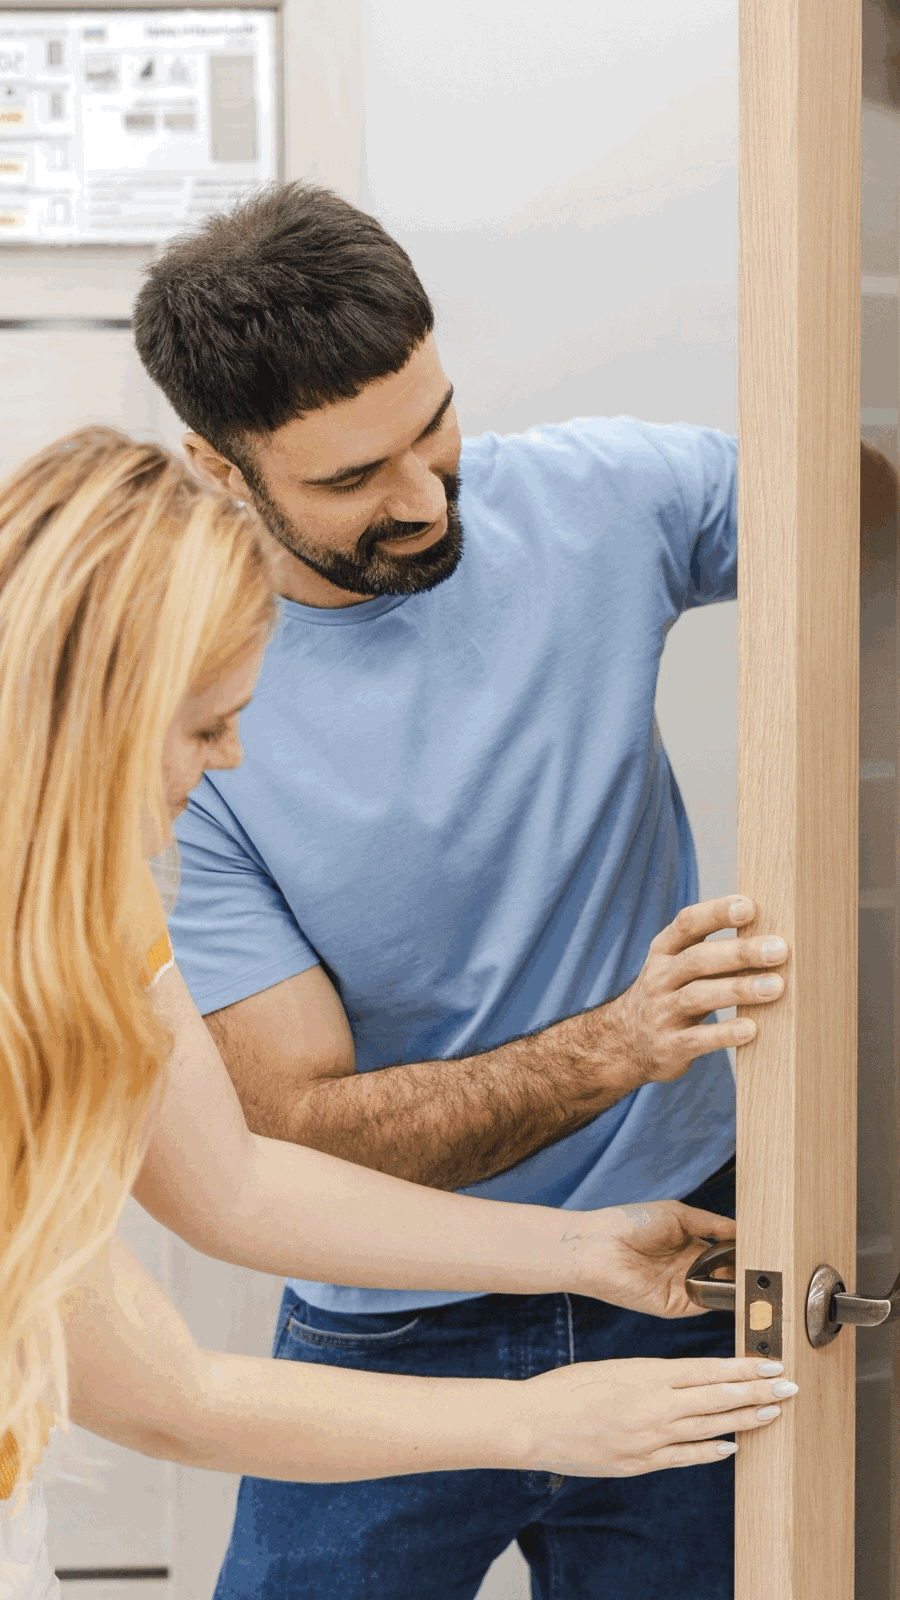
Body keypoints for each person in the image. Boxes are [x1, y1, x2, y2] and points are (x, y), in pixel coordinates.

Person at [130, 183, 795, 1599]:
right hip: (386, 1317)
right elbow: (288, 1137)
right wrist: (623, 1039)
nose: (426, 497)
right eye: (352, 478)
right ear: (218, 466)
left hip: (688, 1264)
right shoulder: (195, 728)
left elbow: (855, 502)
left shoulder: (603, 497)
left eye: (432, 427)